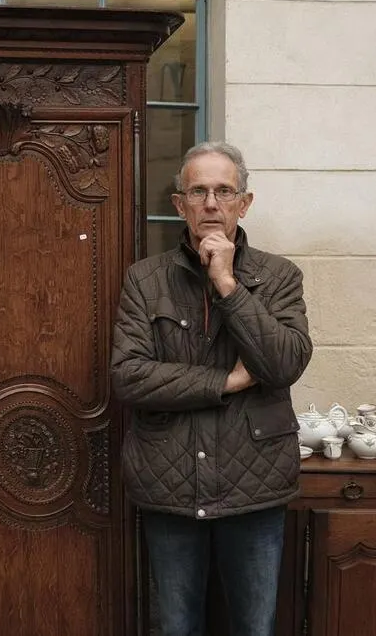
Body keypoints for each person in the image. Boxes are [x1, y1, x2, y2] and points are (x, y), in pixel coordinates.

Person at [111, 141, 313, 636]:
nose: (210, 203)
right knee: (177, 627)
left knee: (254, 627)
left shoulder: (279, 276)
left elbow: (284, 364)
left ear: (244, 203)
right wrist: (226, 380)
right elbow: (129, 375)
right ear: (179, 204)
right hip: (170, 483)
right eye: (197, 191)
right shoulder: (145, 280)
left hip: (255, 483)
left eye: (224, 191)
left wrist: (227, 283)